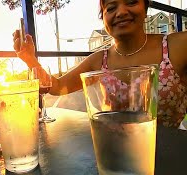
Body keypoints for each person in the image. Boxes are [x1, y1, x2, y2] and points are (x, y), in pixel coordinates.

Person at [13, 0, 187, 128]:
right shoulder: (98, 60)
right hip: (115, 152)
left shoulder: (177, 46)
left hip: (172, 153)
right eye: (111, 8)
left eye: (131, 2)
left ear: (145, 8)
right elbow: (58, 86)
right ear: (103, 19)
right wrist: (29, 59)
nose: (121, 12)